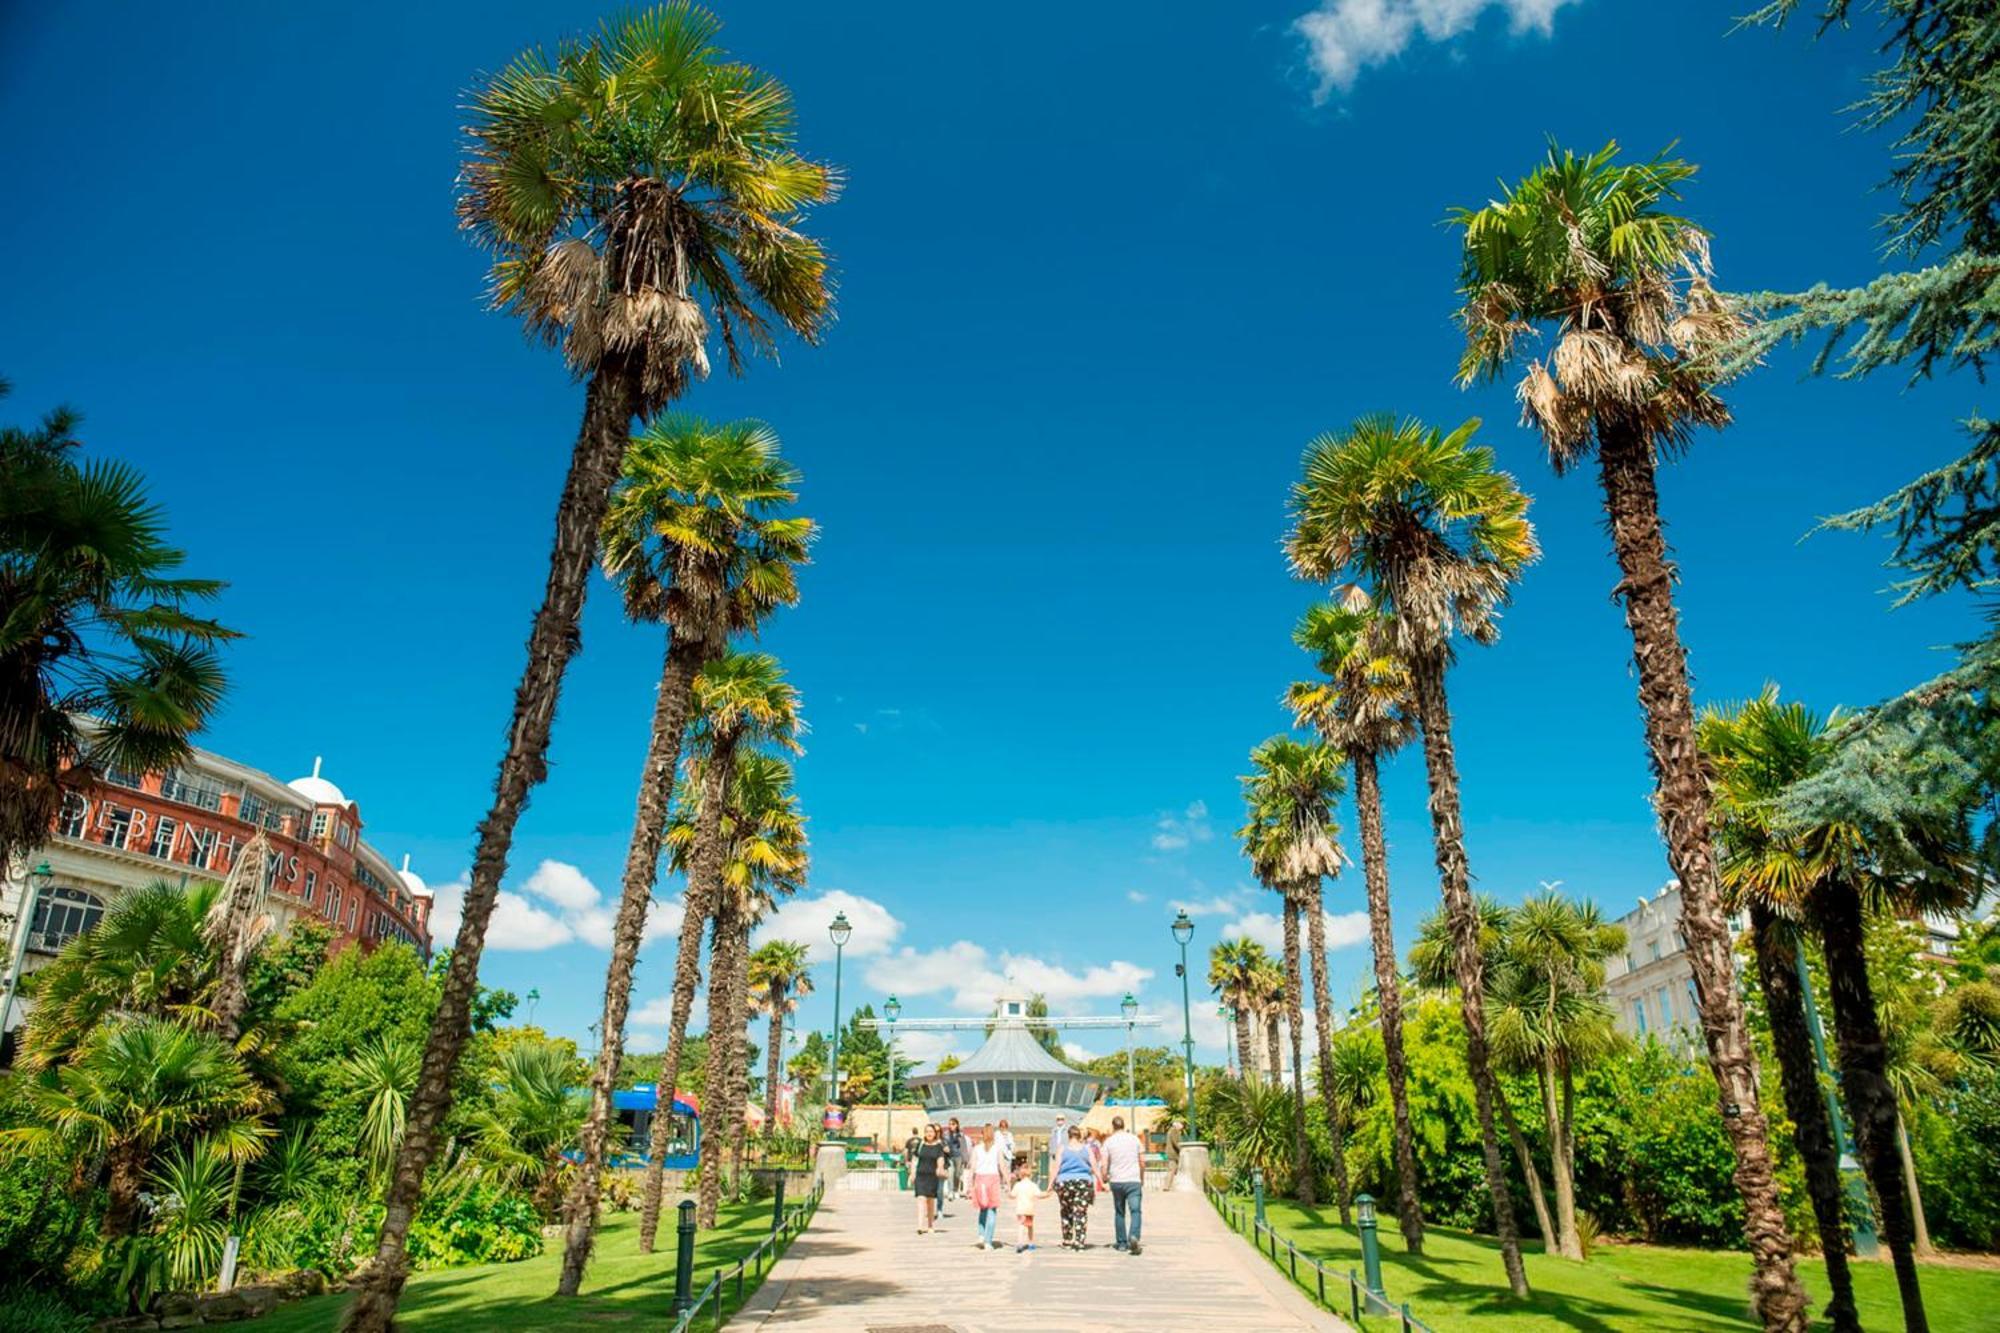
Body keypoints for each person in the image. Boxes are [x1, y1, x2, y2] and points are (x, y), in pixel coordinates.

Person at [1048, 1125, 1101, 1249]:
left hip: (1065, 1182)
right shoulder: (1087, 1149)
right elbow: (1094, 1166)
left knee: (1066, 1211)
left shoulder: (1062, 1149)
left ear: (1069, 1136)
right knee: (1080, 1212)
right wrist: (1101, 1182)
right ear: (1079, 1136)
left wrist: (1050, 1184)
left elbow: (1056, 1168)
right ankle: (1079, 1241)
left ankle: (1067, 1240)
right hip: (1083, 1182)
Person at [1103, 1115, 1145, 1255]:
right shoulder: (1134, 1139)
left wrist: (1104, 1177)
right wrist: (1141, 1177)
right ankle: (1134, 1236)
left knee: (1120, 1212)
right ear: (1123, 1125)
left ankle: (1121, 1243)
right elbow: (1142, 1161)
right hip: (1133, 1180)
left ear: (1113, 1126)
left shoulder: (1109, 1141)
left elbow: (1105, 1162)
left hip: (1117, 1181)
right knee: (1135, 1210)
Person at [967, 1123, 1006, 1251]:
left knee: (983, 1209)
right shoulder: (997, 1148)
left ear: (982, 1134)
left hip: (980, 1179)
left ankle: (981, 1234)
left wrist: (969, 1185)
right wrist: (1008, 1182)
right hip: (993, 1179)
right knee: (992, 1211)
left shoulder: (977, 1149)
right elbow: (1002, 1166)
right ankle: (988, 1241)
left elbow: (972, 1168)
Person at [912, 1122, 947, 1233]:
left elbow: (941, 1159)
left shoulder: (938, 1146)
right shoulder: (921, 1144)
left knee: (930, 1201)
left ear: (935, 1133)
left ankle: (930, 1225)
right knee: (921, 1199)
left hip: (932, 1176)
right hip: (920, 1175)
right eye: (927, 1131)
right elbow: (914, 1160)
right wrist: (912, 1173)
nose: (929, 1134)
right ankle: (920, 1225)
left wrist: (940, 1168)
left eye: (931, 1131)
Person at [1011, 1159, 1047, 1252]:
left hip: (1020, 1210)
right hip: (1030, 1209)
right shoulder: (1033, 1185)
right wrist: (1047, 1194)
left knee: (1021, 1226)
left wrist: (1008, 1192)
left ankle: (1019, 1243)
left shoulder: (1018, 1185)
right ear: (1030, 1175)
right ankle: (1030, 1243)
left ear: (1020, 1175)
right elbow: (1039, 1195)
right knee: (1030, 1226)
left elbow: (1013, 1195)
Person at [943, 1117, 966, 1202]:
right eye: (950, 1124)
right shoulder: (946, 1134)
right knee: (950, 1174)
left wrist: (965, 1158)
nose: (951, 1126)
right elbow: (943, 1143)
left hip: (958, 1156)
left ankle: (956, 1190)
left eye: (953, 1124)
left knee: (957, 1174)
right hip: (949, 1156)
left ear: (957, 1125)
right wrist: (944, 1147)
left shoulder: (960, 1134)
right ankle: (950, 1192)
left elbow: (964, 1147)